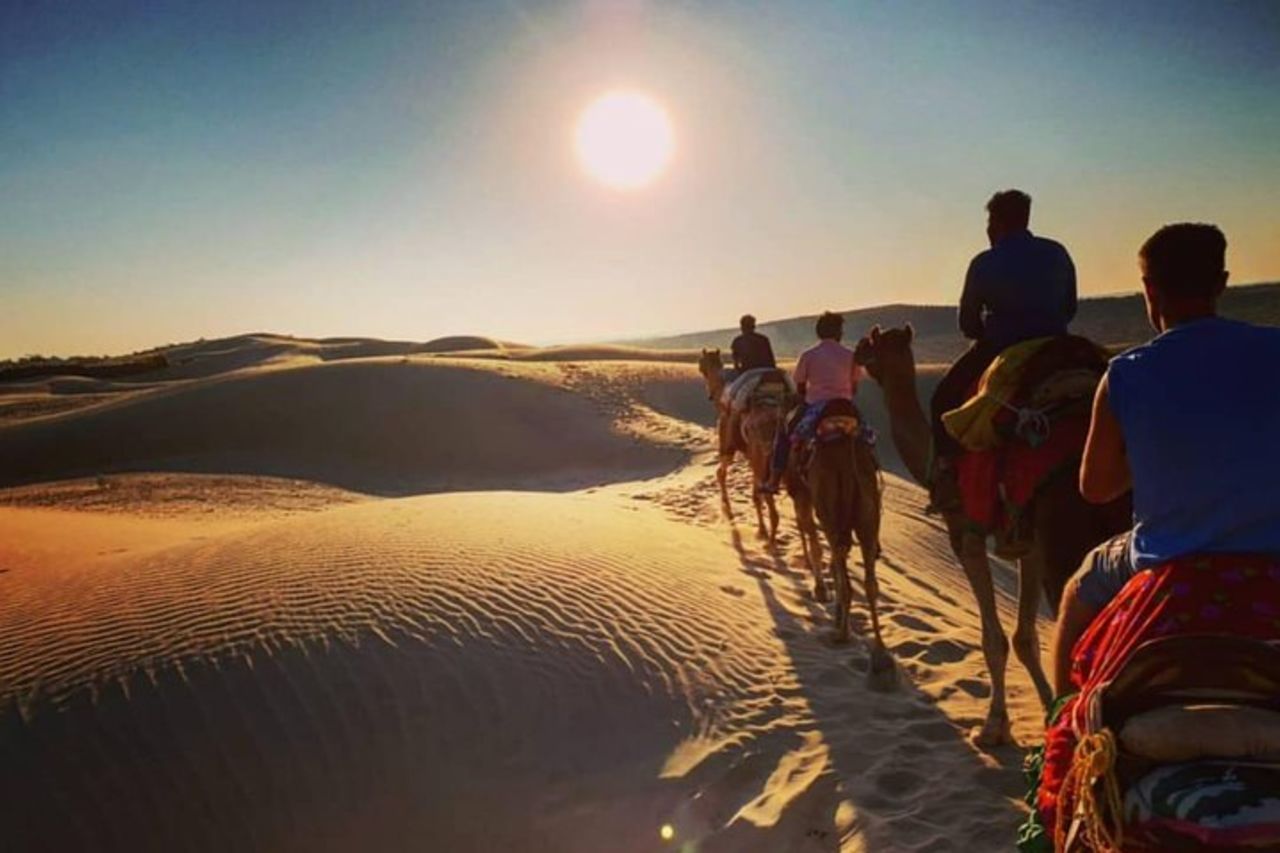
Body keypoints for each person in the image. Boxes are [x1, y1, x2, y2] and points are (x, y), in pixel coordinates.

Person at [1049, 223, 1280, 695]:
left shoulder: (1126, 373)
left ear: (1149, 290)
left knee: (1078, 589)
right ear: (1221, 282)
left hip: (1168, 557)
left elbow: (1095, 488)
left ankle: (1058, 730)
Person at [929, 190, 1077, 509]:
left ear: (994, 223)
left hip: (1002, 347)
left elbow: (968, 322)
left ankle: (947, 481)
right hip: (1058, 344)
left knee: (942, 401)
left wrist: (988, 334)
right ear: (1026, 218)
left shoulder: (985, 262)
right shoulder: (1057, 253)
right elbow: (1069, 307)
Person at [761, 311, 860, 493]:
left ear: (818, 332)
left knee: (784, 433)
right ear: (839, 333)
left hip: (816, 407)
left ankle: (774, 480)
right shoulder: (851, 355)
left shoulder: (808, 355)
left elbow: (800, 386)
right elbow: (854, 387)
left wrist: (807, 396)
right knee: (865, 438)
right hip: (846, 407)